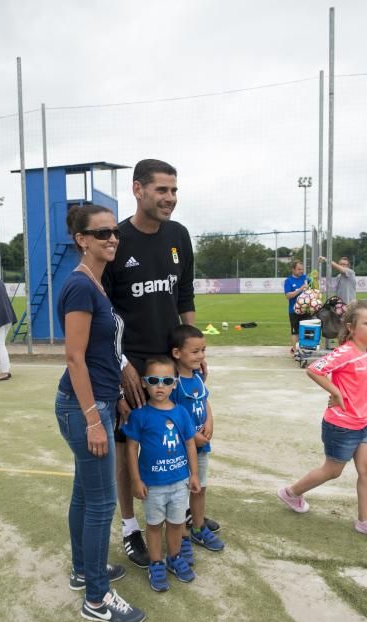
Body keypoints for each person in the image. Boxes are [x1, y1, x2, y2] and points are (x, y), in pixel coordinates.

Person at [102, 158, 219, 568]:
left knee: (179, 438)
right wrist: (120, 368)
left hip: (174, 364)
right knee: (130, 447)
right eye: (161, 190)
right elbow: (105, 314)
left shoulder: (178, 235)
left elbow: (184, 295)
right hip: (132, 365)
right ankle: (131, 527)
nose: (170, 198)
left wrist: (194, 351)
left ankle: (180, 513)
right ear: (138, 189)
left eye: (174, 190)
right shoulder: (116, 240)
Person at [55, 203, 145, 622]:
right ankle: (96, 597)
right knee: (102, 502)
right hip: (82, 405)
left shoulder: (95, 282)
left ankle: (82, 570)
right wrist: (94, 417)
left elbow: (101, 352)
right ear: (82, 239)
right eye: (103, 233)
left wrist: (113, 398)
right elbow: (75, 357)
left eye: (115, 233)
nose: (113, 238)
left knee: (84, 494)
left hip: (99, 401)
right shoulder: (80, 287)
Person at [277, 299, 367, 542]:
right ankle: (291, 493)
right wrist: (336, 393)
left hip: (364, 422)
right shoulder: (345, 352)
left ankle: (365, 521)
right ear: (351, 327)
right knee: (332, 471)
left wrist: (341, 391)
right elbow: (314, 369)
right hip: (341, 426)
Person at [122, 355, 201, 592]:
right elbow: (131, 449)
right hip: (153, 485)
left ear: (175, 383)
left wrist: (194, 474)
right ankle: (156, 563)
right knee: (154, 526)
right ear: (144, 383)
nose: (160, 386)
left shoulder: (181, 414)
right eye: (154, 380)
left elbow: (189, 444)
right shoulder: (139, 416)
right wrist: (136, 480)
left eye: (167, 381)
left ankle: (175, 557)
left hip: (179, 483)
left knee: (177, 524)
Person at [169, 325, 225, 562]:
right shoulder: (173, 383)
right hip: (182, 450)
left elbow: (205, 401)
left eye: (203, 350)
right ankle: (180, 537)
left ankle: (199, 529)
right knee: (181, 494)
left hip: (202, 446)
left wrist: (210, 421)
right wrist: (191, 435)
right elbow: (170, 416)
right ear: (177, 353)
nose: (201, 356)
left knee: (200, 487)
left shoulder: (198, 378)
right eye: (195, 352)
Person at [284, 259, 309, 355]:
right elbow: (288, 296)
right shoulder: (288, 281)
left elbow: (314, 285)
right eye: (299, 269)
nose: (301, 271)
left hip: (306, 310)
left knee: (306, 331)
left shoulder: (306, 278)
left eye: (302, 269)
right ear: (293, 270)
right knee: (295, 332)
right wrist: (300, 289)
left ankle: (305, 350)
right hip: (293, 311)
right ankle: (296, 352)